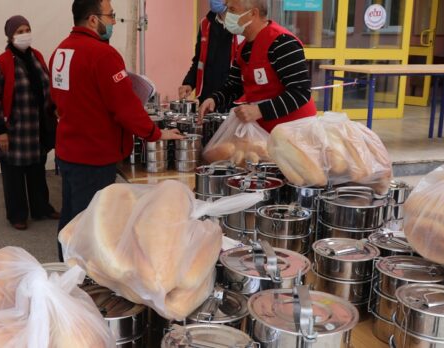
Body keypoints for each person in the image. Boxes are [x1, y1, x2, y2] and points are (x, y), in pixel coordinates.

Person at [50, 0, 183, 260]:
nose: (113, 22)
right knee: (93, 225)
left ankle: (65, 269)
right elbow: (125, 107)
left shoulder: (61, 51)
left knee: (70, 218)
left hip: (68, 151)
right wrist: (155, 134)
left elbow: (58, 99)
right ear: (92, 19)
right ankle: (85, 283)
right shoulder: (103, 55)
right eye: (110, 16)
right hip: (94, 155)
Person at [0, 15, 60, 231]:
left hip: (36, 128)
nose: (24, 34)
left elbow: (47, 86)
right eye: (19, 31)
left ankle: (41, 208)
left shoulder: (36, 56)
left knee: (37, 170)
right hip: (13, 130)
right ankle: (17, 215)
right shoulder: (2, 62)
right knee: (14, 175)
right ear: (10, 36)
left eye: (26, 29)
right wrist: (0, 130)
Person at [198, 0, 316, 132]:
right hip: (265, 130)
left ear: (253, 13)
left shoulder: (282, 42)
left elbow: (300, 92)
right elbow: (234, 85)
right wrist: (214, 99)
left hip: (294, 130)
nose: (227, 15)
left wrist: (260, 110)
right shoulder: (244, 48)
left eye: (232, 10)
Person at [178, 0, 237, 112]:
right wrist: (188, 83)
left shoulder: (241, 24)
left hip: (232, 101)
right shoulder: (205, 23)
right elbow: (199, 61)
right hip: (206, 99)